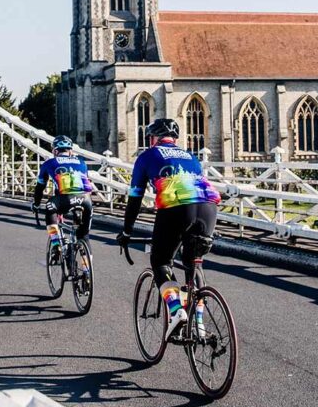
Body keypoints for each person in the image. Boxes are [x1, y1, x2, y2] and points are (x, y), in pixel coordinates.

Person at [115, 118, 221, 339]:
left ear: (153, 138)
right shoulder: (191, 157)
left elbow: (135, 198)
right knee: (194, 264)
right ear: (174, 139)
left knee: (161, 261)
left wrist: (126, 231)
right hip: (209, 208)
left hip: (177, 208)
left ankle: (176, 312)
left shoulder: (147, 156)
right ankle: (199, 325)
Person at [32, 136, 95, 255]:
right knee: (84, 237)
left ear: (55, 151)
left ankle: (56, 245)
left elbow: (40, 187)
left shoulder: (49, 163)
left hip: (64, 200)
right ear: (71, 151)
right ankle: (87, 270)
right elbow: (83, 185)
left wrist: (36, 204)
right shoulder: (82, 162)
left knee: (50, 206)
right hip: (86, 201)